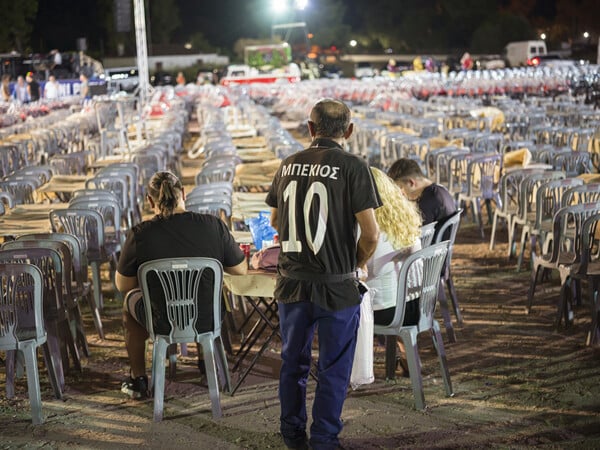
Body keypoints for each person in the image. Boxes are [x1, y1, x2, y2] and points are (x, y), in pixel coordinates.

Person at [266, 98, 380, 450]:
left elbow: (274, 221)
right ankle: (324, 439)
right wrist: (357, 262)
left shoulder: (288, 165)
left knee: (292, 363)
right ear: (348, 131)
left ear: (311, 129)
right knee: (333, 368)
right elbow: (372, 233)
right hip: (336, 285)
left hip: (293, 282)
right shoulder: (353, 166)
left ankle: (292, 435)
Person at [116, 171, 247, 399]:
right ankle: (206, 363)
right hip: (209, 317)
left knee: (129, 303)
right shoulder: (213, 226)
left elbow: (123, 284)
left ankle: (138, 380)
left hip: (162, 320)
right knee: (211, 294)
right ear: (183, 194)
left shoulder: (140, 234)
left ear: (150, 201)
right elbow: (240, 269)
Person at [365, 167, 423, 376]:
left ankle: (346, 370)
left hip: (389, 310)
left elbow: (364, 271)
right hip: (416, 304)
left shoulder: (370, 228)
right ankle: (408, 359)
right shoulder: (403, 218)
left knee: (339, 307)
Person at [387, 158, 456, 238]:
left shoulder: (428, 200)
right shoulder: (439, 190)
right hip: (441, 246)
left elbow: (414, 234)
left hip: (430, 248)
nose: (401, 193)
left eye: (400, 187)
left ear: (411, 183)